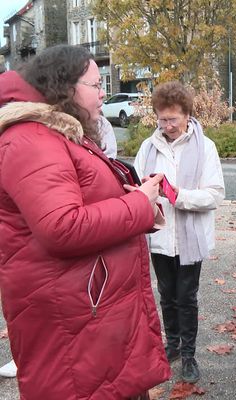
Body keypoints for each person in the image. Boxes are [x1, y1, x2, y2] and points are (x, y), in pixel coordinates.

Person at [0, 45, 170, 399]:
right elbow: (62, 227)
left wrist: (141, 210)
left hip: (89, 311)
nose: (103, 92)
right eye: (95, 84)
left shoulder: (57, 134)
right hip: (75, 317)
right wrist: (138, 205)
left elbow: (83, 204)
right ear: (65, 87)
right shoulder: (32, 139)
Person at [134, 81, 225, 383]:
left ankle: (189, 354)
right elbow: (136, 189)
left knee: (187, 297)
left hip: (191, 237)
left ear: (187, 114)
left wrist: (177, 195)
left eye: (173, 118)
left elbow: (215, 195)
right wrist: (143, 192)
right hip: (159, 236)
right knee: (166, 295)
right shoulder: (148, 147)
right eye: (162, 119)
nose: (168, 125)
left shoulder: (205, 147)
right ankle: (172, 345)